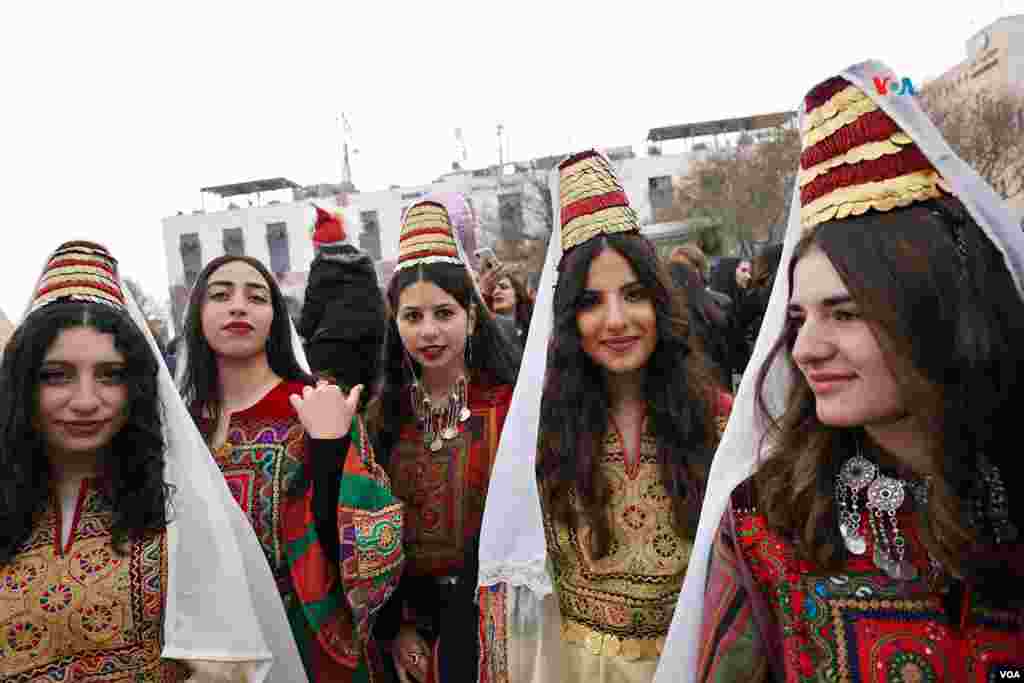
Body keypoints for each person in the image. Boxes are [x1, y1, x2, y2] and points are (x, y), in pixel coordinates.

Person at [654, 61, 1024, 683]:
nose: (805, 349)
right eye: (798, 318)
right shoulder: (768, 524)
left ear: (938, 312)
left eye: (845, 313)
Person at [477, 150, 732, 683]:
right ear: (568, 318)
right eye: (592, 302)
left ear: (659, 305)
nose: (616, 321)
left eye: (634, 295)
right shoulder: (537, 434)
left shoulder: (717, 421)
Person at [0, 241, 303, 681]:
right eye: (56, 375)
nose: (85, 401)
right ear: (23, 385)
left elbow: (227, 665)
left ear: (138, 387)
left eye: (111, 375)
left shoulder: (181, 511)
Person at [179, 253, 405, 681]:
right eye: (221, 295)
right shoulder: (182, 425)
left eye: (257, 296)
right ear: (198, 315)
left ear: (275, 318)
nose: (238, 306)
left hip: (306, 640)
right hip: (210, 648)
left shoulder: (314, 404)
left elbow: (378, 546)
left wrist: (331, 452)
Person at [369, 199, 519, 683]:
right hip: (412, 632)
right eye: (412, 317)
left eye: (443, 313)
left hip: (501, 626)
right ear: (395, 324)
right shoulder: (381, 420)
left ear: (472, 317)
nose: (428, 331)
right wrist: (396, 630)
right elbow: (370, 539)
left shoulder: (510, 409)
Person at [299, 205, 387, 395]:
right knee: (366, 400)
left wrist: (302, 332)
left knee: (332, 401)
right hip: (372, 348)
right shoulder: (365, 264)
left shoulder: (322, 266)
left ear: (319, 246)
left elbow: (311, 313)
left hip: (333, 350)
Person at [487, 271, 533, 346]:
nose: (496, 292)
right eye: (493, 289)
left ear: (517, 296)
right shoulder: (486, 330)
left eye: (504, 287)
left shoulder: (531, 333)